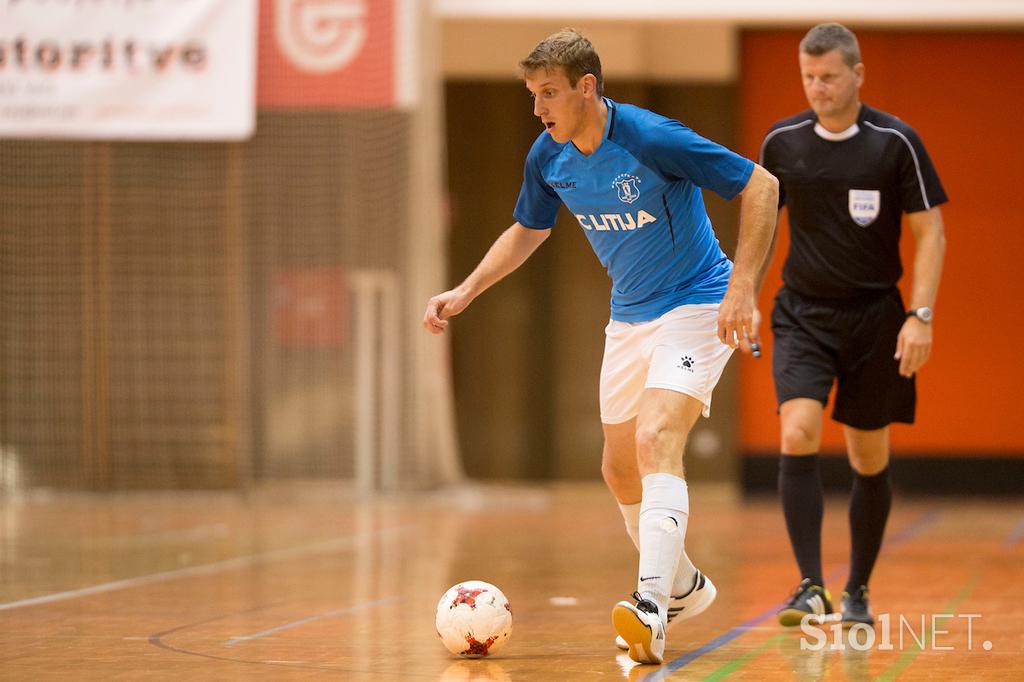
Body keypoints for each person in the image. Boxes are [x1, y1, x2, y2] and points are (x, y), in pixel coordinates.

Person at [424, 28, 778, 665]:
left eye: (549, 93)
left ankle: (650, 606)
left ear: (587, 87)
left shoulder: (650, 138)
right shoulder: (548, 155)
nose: (538, 109)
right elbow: (528, 229)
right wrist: (468, 289)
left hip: (699, 300)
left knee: (656, 439)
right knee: (619, 469)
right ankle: (685, 586)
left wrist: (744, 288)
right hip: (629, 316)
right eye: (533, 95)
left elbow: (762, 186)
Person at [756, 23, 947, 628]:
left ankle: (858, 589)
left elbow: (931, 231)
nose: (818, 87)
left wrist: (919, 316)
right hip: (803, 313)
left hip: (874, 320)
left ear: (858, 74)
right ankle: (811, 585)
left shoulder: (895, 142)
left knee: (868, 456)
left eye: (829, 76)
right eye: (808, 77)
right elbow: (760, 226)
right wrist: (739, 293)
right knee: (798, 433)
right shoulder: (781, 143)